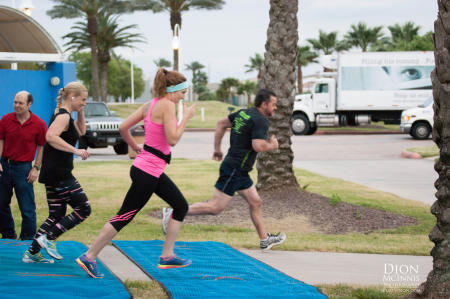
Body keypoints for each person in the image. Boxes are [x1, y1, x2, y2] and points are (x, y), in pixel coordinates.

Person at [76, 68, 195, 278]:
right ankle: (90, 256)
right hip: (147, 172)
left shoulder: (150, 105)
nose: (183, 97)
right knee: (124, 215)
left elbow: (123, 127)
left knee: (180, 205)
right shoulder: (167, 105)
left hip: (149, 169)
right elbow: (173, 139)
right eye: (183, 92)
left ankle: (167, 256)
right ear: (173, 90)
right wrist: (186, 118)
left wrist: (136, 146)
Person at [162, 89, 286, 251]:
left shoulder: (243, 113)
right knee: (215, 207)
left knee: (256, 202)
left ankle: (264, 239)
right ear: (264, 104)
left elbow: (221, 123)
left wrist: (217, 149)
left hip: (240, 171)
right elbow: (258, 145)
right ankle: (172, 212)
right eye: (274, 104)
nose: (275, 108)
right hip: (234, 169)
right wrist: (272, 145)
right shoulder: (261, 120)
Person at [22, 82, 90, 264]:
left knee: (56, 214)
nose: (85, 102)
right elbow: (50, 136)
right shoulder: (63, 116)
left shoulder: (64, 113)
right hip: (59, 173)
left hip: (53, 172)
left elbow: (82, 131)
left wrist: (80, 110)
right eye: (83, 99)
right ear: (72, 97)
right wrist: (76, 151)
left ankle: (32, 253)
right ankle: (50, 238)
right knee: (84, 208)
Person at [0, 91, 47, 240]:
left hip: (24, 169)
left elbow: (41, 147)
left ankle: (27, 241)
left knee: (27, 208)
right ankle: (8, 236)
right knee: (1, 205)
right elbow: (0, 141)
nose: (17, 105)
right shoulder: (5, 120)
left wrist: (36, 168)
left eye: (20, 103)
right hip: (4, 166)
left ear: (29, 104)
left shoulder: (39, 124)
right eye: (15, 102)